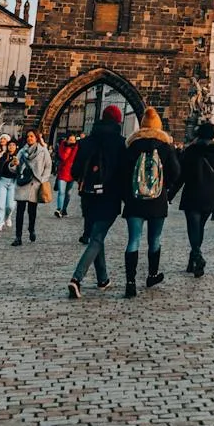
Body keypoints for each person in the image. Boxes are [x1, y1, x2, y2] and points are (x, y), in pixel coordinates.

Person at [120, 108, 183, 297]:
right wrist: (165, 187)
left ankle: (130, 282)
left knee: (133, 240)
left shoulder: (132, 145)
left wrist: (127, 195)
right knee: (154, 239)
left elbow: (122, 173)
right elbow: (176, 172)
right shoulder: (165, 146)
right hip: (157, 200)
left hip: (135, 200)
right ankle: (152, 275)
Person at [68, 105, 128, 299]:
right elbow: (124, 174)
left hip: (88, 196)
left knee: (96, 236)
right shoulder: (120, 143)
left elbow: (75, 170)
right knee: (96, 238)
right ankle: (77, 278)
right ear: (118, 121)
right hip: (110, 197)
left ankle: (103, 279)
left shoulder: (87, 142)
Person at [179, 121, 214, 277]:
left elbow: (182, 176)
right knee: (199, 228)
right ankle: (193, 260)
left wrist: (170, 193)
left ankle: (197, 257)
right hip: (210, 196)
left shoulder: (190, 151)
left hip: (192, 194)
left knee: (193, 228)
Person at [11, 129, 52, 247]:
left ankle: (31, 229)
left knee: (32, 211)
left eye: (32, 136)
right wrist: (13, 164)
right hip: (23, 183)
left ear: (36, 138)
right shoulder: (21, 151)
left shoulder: (43, 151)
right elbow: (14, 168)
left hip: (35, 183)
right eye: (28, 136)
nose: (30, 138)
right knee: (19, 211)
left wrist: (43, 179)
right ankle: (18, 237)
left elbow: (48, 166)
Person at [0, 138, 20, 232]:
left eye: (13, 145)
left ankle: (7, 217)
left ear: (16, 147)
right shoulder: (3, 156)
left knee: (10, 205)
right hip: (2, 181)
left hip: (13, 182)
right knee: (0, 203)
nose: (11, 147)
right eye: (10, 145)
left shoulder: (19, 157)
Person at [52, 131, 79, 217]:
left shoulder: (77, 147)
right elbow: (64, 157)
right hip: (63, 172)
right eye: (70, 140)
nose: (72, 141)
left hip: (72, 172)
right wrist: (68, 148)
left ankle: (64, 209)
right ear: (66, 140)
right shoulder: (62, 146)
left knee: (68, 193)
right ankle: (59, 209)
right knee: (61, 192)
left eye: (73, 140)